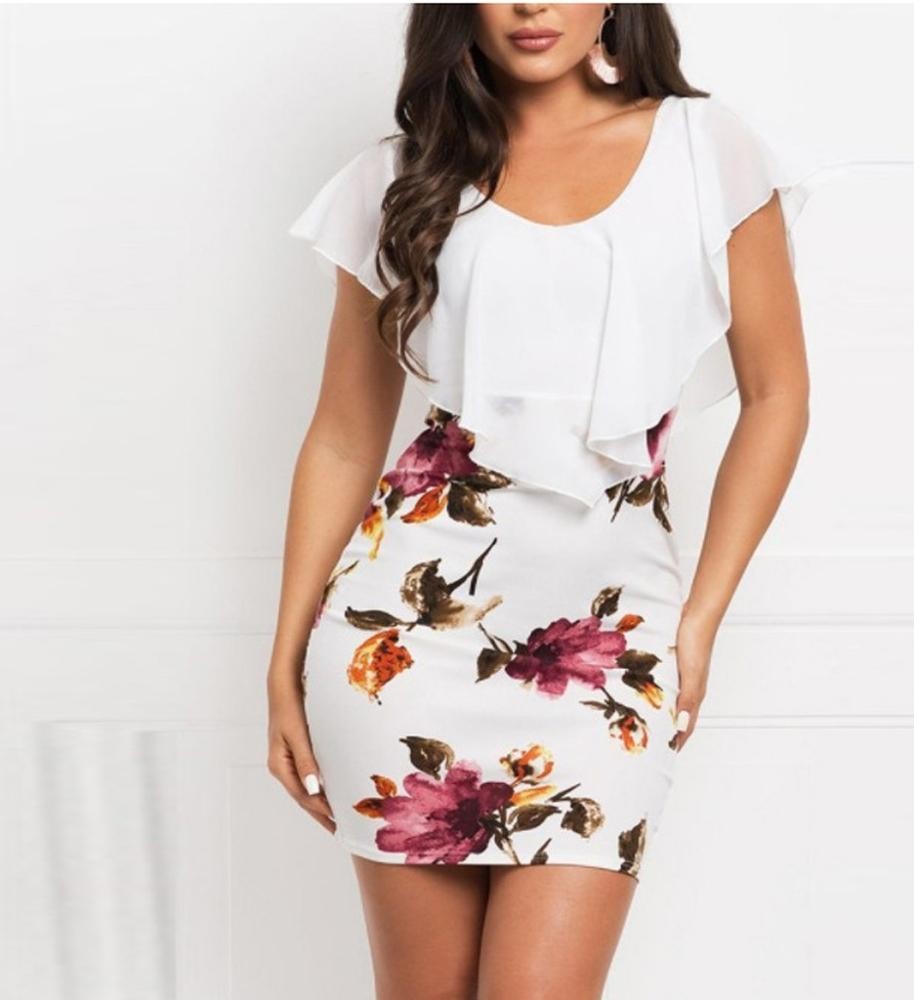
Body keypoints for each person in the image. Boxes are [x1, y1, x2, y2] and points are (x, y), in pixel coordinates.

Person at [268, 4, 812, 997]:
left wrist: (699, 620)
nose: (530, 4)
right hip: (405, 651)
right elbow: (344, 433)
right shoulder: (401, 176)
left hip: (612, 648)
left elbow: (777, 396)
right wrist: (284, 657)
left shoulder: (707, 149)